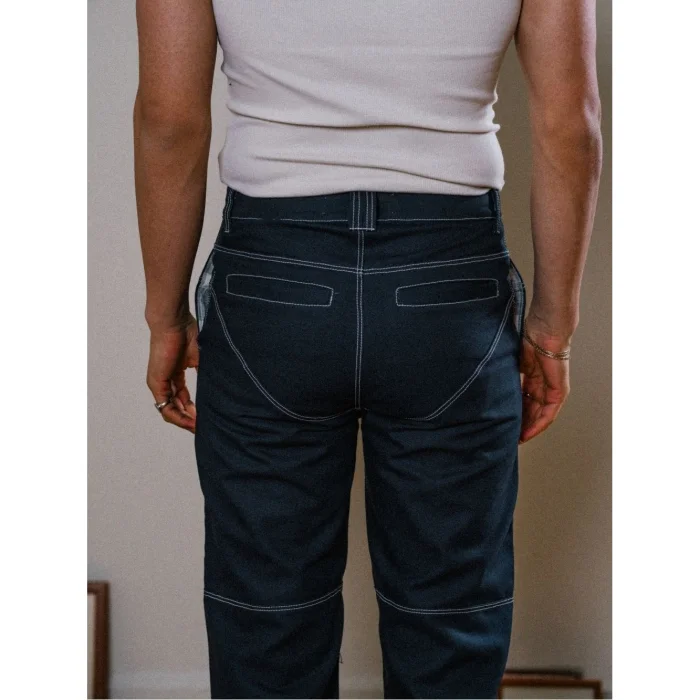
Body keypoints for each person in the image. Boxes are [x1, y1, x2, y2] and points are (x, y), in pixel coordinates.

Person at [133, 0, 602, 697]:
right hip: (448, 291)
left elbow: (169, 121)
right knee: (450, 625)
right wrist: (552, 332)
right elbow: (569, 125)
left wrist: (166, 315)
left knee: (267, 624)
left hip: (273, 286)